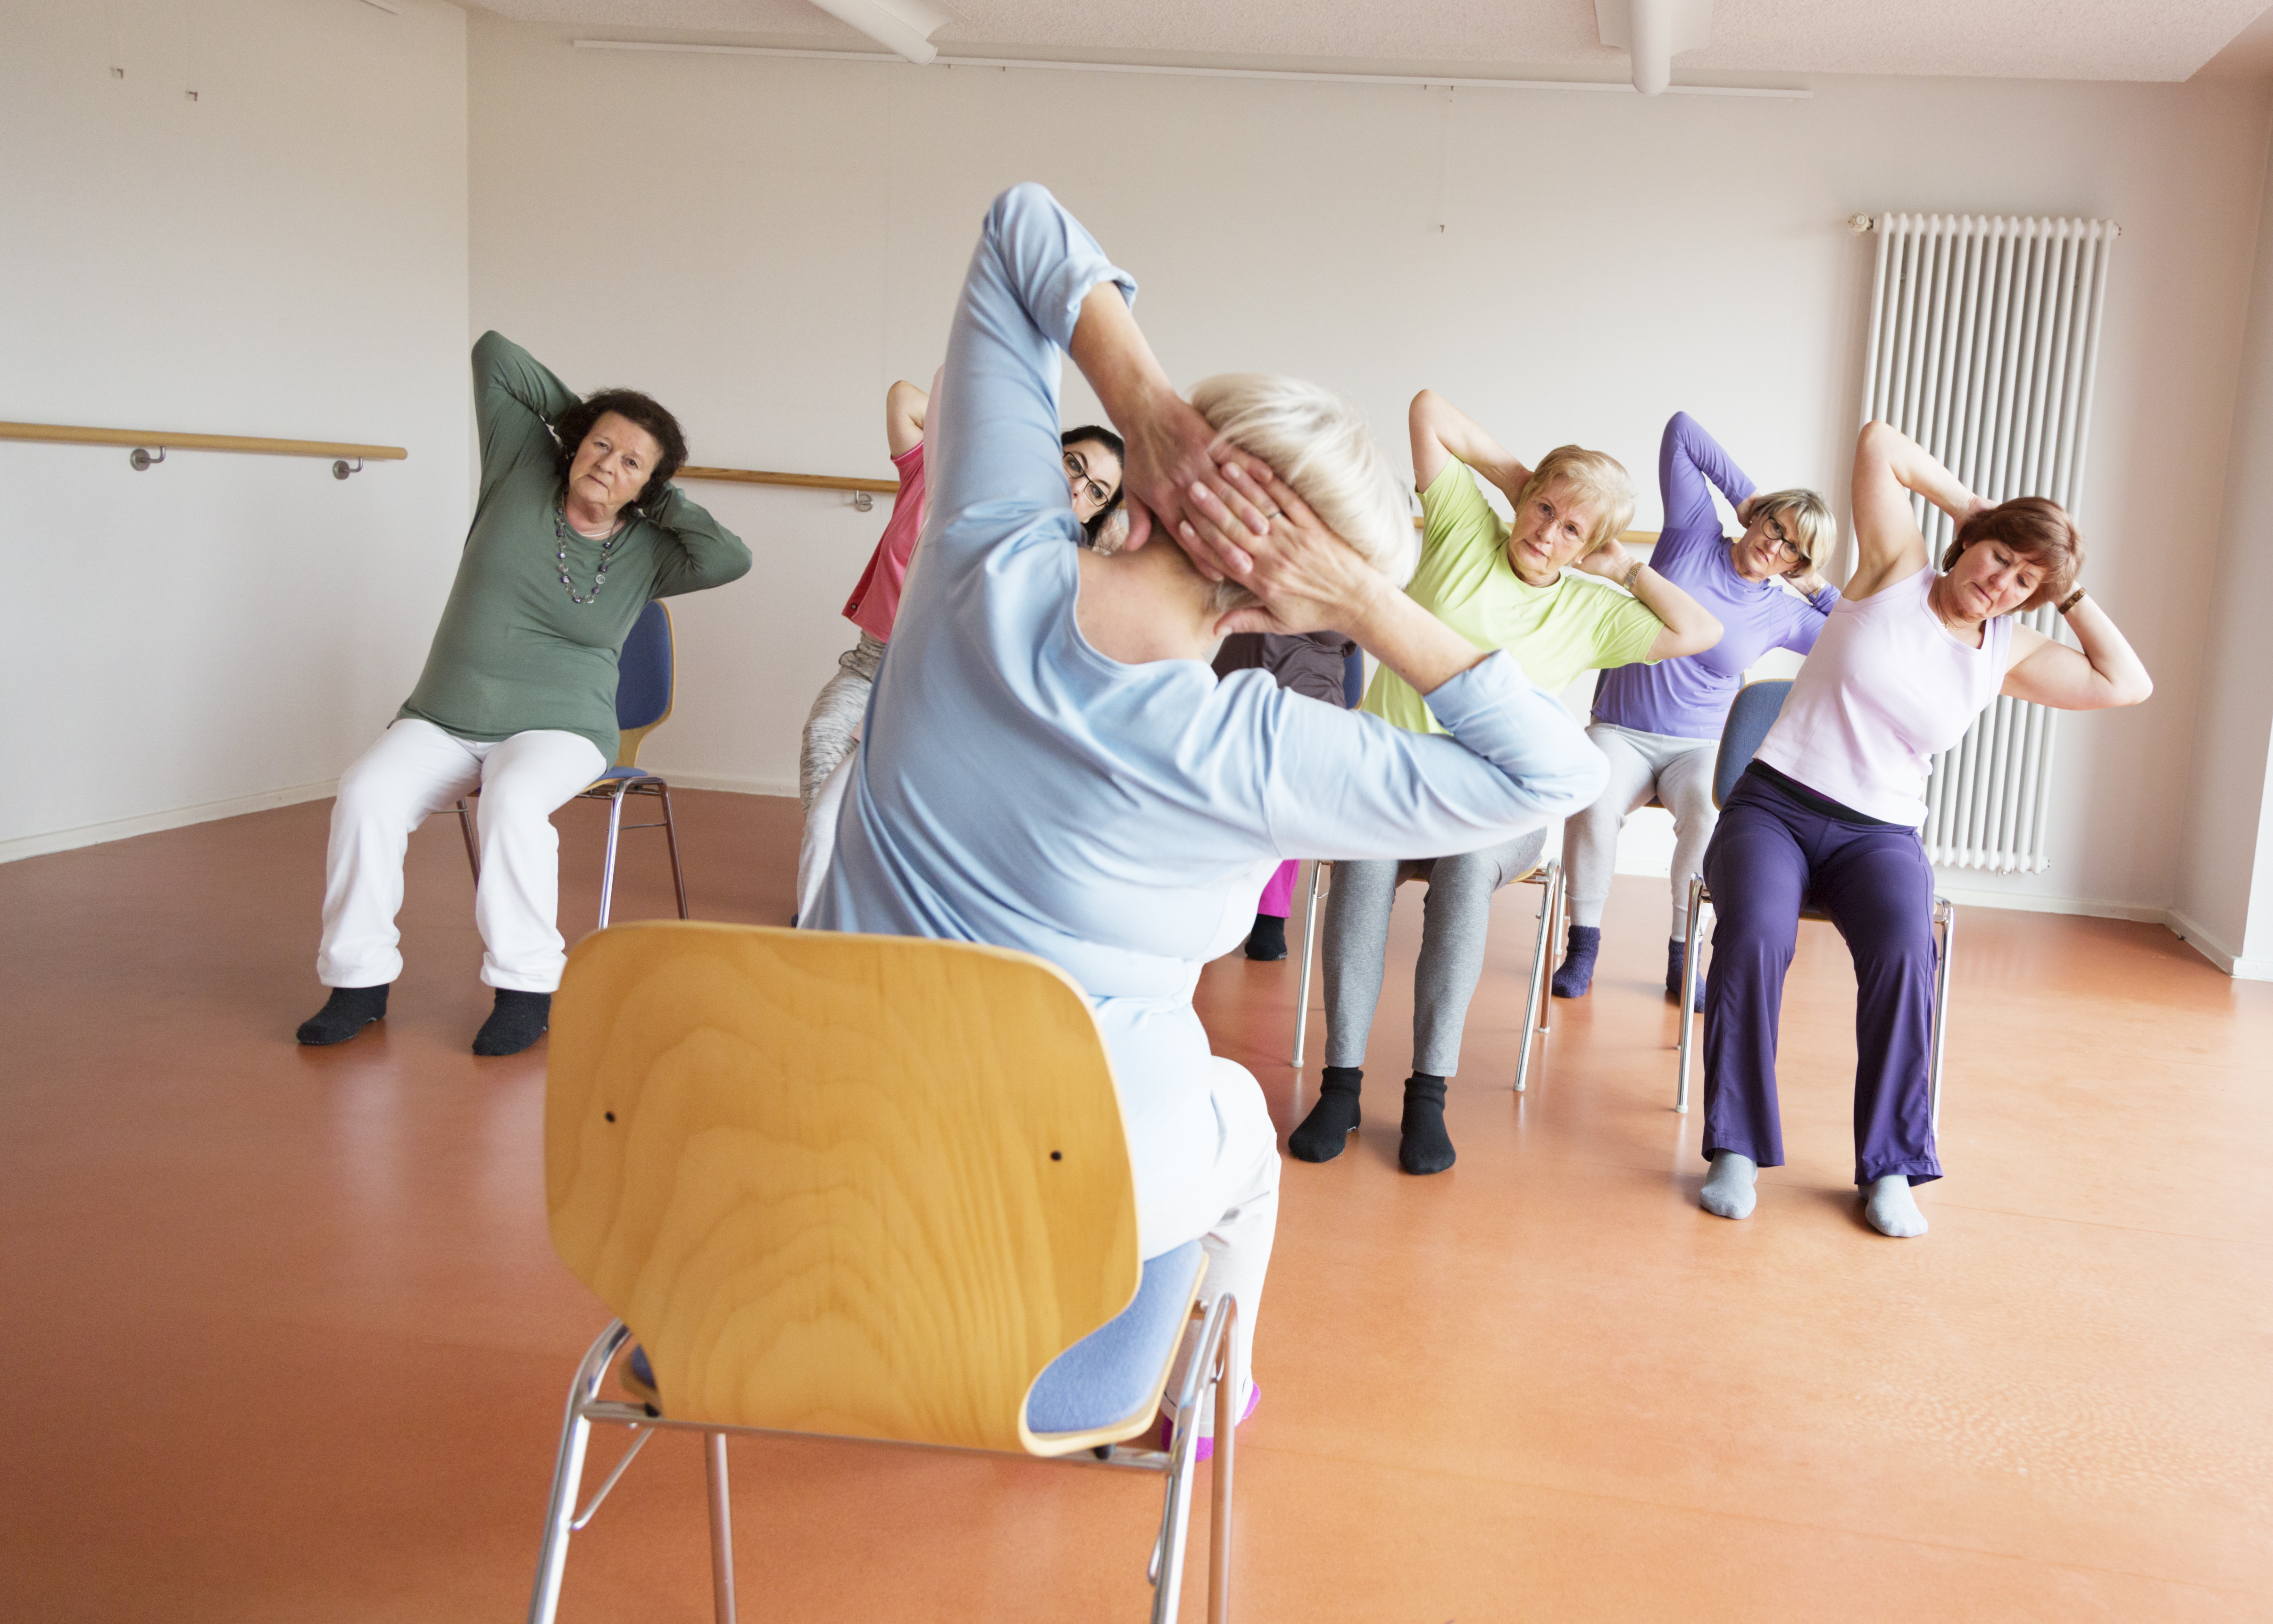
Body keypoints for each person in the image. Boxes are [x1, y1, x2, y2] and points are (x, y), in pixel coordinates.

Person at [808, 183, 1603, 1440]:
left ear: (1166, 473)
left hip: (801, 1212)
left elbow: (1021, 226)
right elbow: (1558, 777)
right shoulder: (1259, 751)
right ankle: (1206, 1410)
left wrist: (1145, 411)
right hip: (1027, 1256)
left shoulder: (981, 556)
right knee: (1236, 1119)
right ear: (1292, 598)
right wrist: (1364, 603)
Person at [1695, 419, 2151, 1236]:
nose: (2003, 583)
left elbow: (2128, 683)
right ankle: (1736, 1147)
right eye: (1999, 559)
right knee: (1756, 933)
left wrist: (2070, 589)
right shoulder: (1896, 566)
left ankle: (1891, 1168)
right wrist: (1977, 509)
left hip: (1880, 837)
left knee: (1908, 953)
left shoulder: (2007, 650)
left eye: (2026, 581)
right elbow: (1880, 444)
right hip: (1776, 806)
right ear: (1971, 544)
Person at [1291, 390, 1723, 1177]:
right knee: (1362, 871)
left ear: (1592, 546)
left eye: (1572, 529)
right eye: (1543, 510)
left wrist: (1626, 566)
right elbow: (1425, 409)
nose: (1547, 533)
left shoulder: (1595, 611)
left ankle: (1428, 1096)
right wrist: (1524, 483)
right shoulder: (1465, 527)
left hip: (1497, 804)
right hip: (1391, 783)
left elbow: (1701, 633)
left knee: (1462, 874)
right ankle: (1341, 1085)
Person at [297, 333, 752, 1057]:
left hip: (560, 728)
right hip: (446, 717)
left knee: (512, 801)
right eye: (600, 447)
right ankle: (358, 982)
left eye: (631, 463)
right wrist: (590, 426)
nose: (608, 464)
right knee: (365, 794)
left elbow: (732, 556)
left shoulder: (651, 551)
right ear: (575, 444)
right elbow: (494, 357)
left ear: (650, 488)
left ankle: (526, 989)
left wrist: (652, 484)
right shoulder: (519, 469)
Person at [791, 376, 1122, 914]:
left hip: (950, 693)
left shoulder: (1060, 558)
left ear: (1096, 513)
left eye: (1098, 492)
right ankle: (833, 896)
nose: (1078, 487)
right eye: (1074, 464)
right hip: (872, 665)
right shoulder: (950, 474)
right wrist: (1004, 442)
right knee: (826, 744)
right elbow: (904, 397)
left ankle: (878, 899)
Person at [1552, 411, 1838, 1006]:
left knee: (1710, 819)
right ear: (1757, 518)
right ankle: (1583, 945)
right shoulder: (1691, 533)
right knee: (1592, 799)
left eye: (1792, 548)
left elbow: (1858, 632)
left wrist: (1816, 589)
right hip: (1621, 732)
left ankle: (1684, 959)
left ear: (1798, 564)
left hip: (1699, 747)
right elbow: (1682, 431)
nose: (1773, 544)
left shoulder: (1784, 612)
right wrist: (1745, 495)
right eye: (1773, 525)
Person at [1209, 629, 1360, 960]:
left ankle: (1266, 914)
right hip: (1254, 686)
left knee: (1284, 781)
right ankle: (1253, 909)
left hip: (1286, 696)